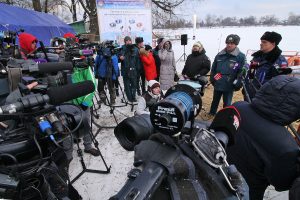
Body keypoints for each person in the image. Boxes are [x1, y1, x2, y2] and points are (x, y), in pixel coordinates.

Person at [226, 75, 300, 200]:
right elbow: (282, 184)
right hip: (249, 189)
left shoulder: (238, 106)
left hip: (221, 167)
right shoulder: (287, 146)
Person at [209, 34, 246, 116]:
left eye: (232, 43)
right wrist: (212, 78)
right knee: (215, 100)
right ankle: (212, 113)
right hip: (218, 81)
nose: (229, 45)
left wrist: (238, 83)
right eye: (227, 43)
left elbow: (242, 71)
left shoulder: (240, 56)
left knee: (227, 102)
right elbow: (213, 68)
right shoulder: (219, 55)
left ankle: (225, 116)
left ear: (236, 44)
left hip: (229, 83)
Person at [244, 31, 288, 100]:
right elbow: (251, 73)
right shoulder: (257, 57)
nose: (261, 44)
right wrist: (246, 86)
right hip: (250, 94)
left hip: (265, 97)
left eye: (264, 42)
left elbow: (281, 83)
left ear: (273, 44)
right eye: (261, 42)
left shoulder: (279, 60)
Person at [119, 36, 139, 102]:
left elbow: (137, 60)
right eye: (126, 41)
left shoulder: (135, 49)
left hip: (133, 70)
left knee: (134, 84)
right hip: (125, 70)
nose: (128, 42)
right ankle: (130, 98)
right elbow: (118, 58)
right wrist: (120, 58)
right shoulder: (122, 49)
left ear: (131, 41)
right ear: (125, 42)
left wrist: (138, 69)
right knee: (127, 85)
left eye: (129, 40)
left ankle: (133, 97)